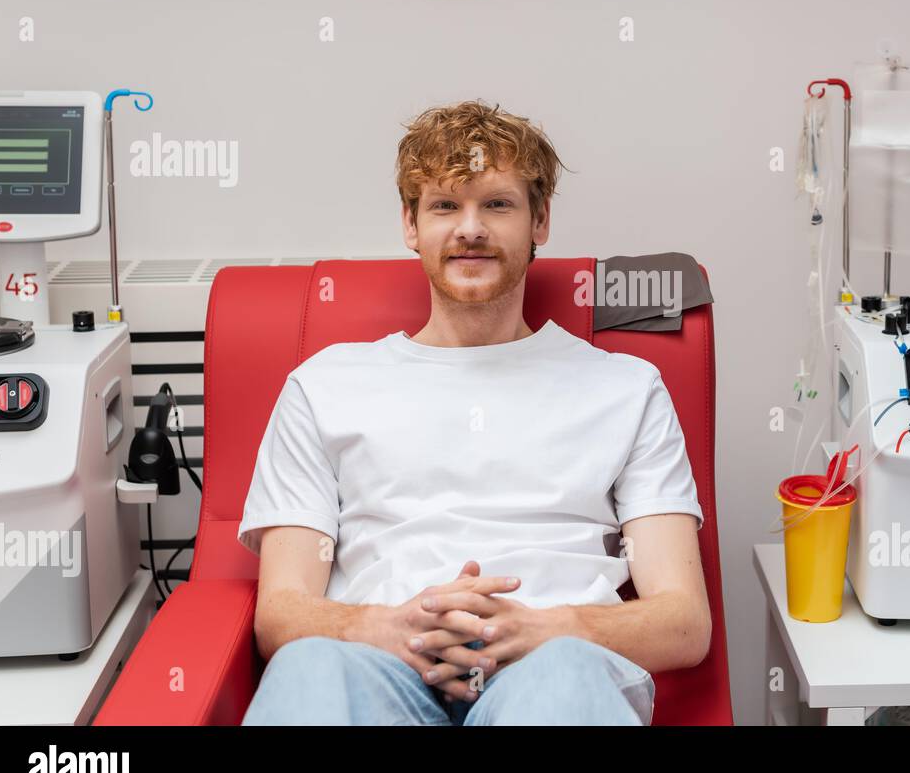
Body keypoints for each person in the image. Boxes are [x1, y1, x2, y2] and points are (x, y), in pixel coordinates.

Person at [237, 100, 711, 725]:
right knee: (307, 667)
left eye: (497, 204)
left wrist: (546, 628)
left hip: (552, 672)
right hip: (379, 670)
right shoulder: (325, 385)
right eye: (444, 205)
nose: (470, 229)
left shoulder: (625, 388)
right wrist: (392, 626)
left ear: (540, 220)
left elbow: (683, 622)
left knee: (564, 681)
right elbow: (282, 615)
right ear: (410, 224)